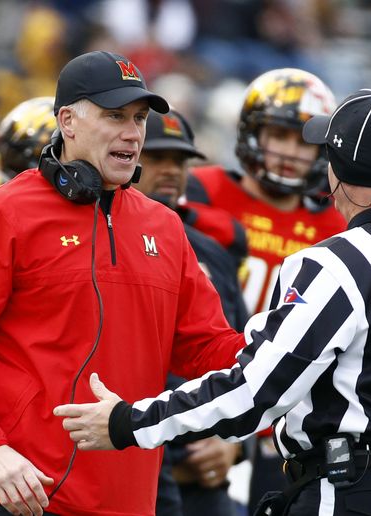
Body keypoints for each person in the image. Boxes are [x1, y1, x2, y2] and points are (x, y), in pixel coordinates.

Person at [55, 89, 371, 516]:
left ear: (338, 169)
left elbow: (255, 391)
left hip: (344, 491)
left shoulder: (334, 264)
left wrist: (128, 422)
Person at [0, 51, 245, 516]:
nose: (133, 132)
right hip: (28, 498)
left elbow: (206, 348)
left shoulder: (165, 228)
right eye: (114, 116)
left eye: (139, 118)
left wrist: (290, 344)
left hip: (134, 501)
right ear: (67, 120)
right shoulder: (1, 214)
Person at [184, 69, 348, 505]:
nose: (292, 153)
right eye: (279, 134)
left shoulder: (334, 225)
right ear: (253, 133)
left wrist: (244, 437)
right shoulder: (203, 190)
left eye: (304, 141)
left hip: (283, 421)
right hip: (197, 386)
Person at [137, 108, 247, 516]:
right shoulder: (99, 239)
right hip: (127, 461)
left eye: (180, 160)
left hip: (205, 482)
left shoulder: (214, 253)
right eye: (158, 157)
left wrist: (235, 445)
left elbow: (240, 355)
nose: (170, 170)